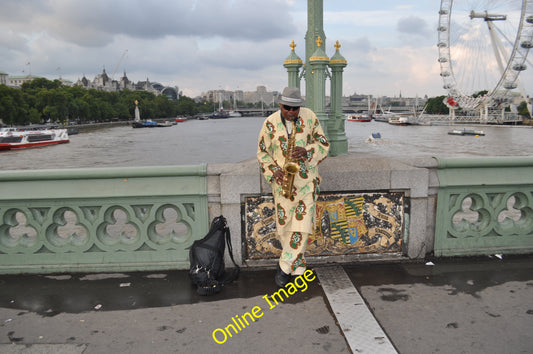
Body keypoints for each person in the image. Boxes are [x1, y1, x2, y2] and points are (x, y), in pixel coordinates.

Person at [257, 87, 329, 287]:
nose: (291, 112)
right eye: (287, 107)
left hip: (306, 183)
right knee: (285, 227)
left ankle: (283, 267)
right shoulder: (270, 123)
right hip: (282, 185)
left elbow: (324, 145)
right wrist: (274, 171)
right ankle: (298, 269)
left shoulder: (311, 117)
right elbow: (262, 153)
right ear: (280, 105)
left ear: (300, 107)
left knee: (302, 227)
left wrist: (306, 151)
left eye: (295, 108)